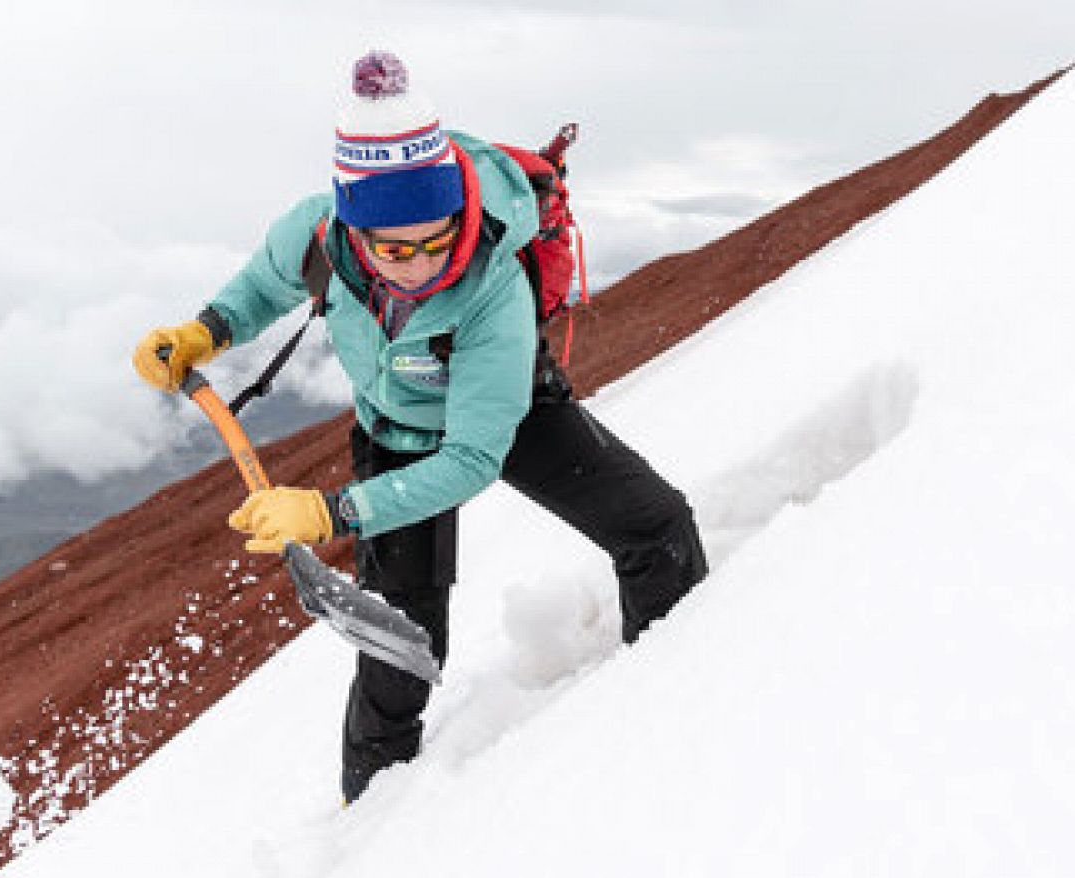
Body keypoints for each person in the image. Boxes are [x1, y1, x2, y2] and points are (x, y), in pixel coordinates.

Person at [131, 51, 708, 803]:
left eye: (437, 238)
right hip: (395, 427)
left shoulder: (492, 283)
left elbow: (472, 457)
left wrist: (331, 511)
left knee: (657, 528)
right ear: (353, 228)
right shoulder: (317, 234)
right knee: (400, 649)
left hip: (510, 411)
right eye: (393, 249)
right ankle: (369, 820)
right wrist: (204, 332)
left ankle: (679, 710)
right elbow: (264, 286)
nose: (419, 264)